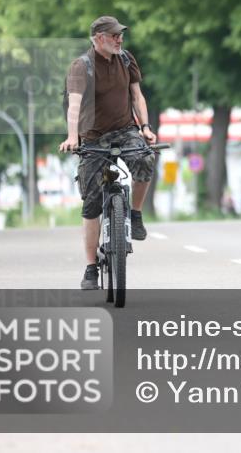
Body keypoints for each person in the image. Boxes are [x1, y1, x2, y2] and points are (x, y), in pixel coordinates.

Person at [59, 16, 158, 290]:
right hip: (93, 137)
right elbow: (74, 106)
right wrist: (73, 137)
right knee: (91, 203)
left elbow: (137, 96)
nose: (119, 39)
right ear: (99, 38)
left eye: (120, 34)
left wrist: (145, 128)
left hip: (125, 129)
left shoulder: (126, 59)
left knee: (145, 159)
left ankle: (135, 214)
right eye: (114, 35)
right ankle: (91, 268)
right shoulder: (82, 66)